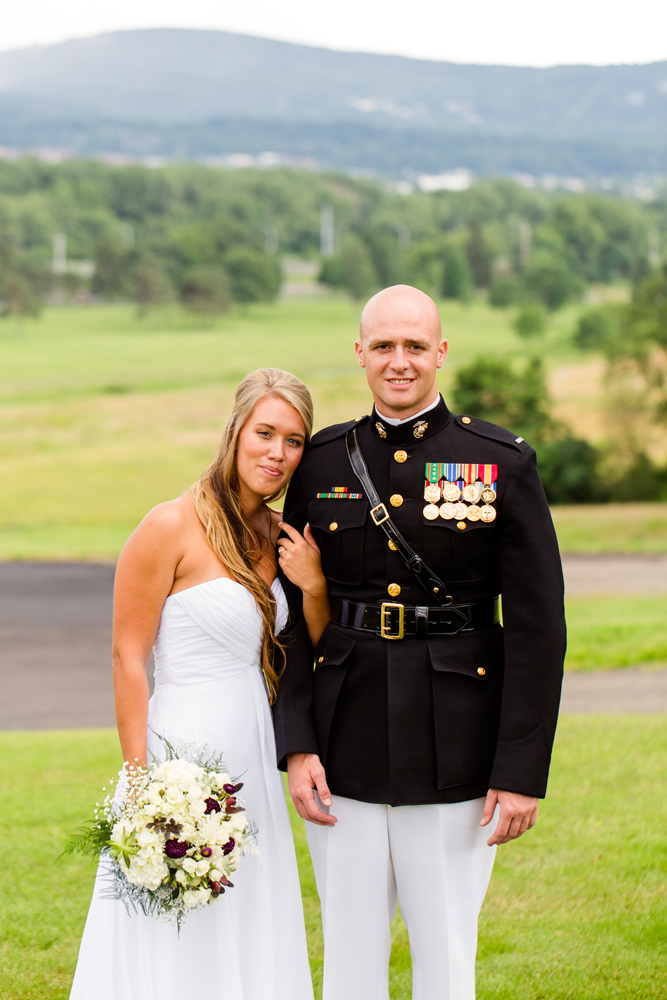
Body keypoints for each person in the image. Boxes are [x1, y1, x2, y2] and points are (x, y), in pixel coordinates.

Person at [275, 285, 566, 1000]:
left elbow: (537, 627)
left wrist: (521, 767)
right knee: (347, 956)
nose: (398, 362)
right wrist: (298, 743)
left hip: (458, 744)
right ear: (360, 354)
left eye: (413, 346)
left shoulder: (499, 461)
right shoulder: (319, 463)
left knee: (444, 957)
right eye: (383, 347)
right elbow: (287, 614)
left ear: (439, 351)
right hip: (343, 741)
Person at [70, 369, 315, 1000]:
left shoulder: (281, 538)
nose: (277, 453)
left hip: (255, 757)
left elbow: (309, 644)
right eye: (265, 433)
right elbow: (128, 656)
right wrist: (142, 783)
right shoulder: (169, 526)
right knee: (175, 920)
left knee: (246, 909)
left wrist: (312, 587)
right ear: (235, 432)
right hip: (179, 759)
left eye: (294, 440)